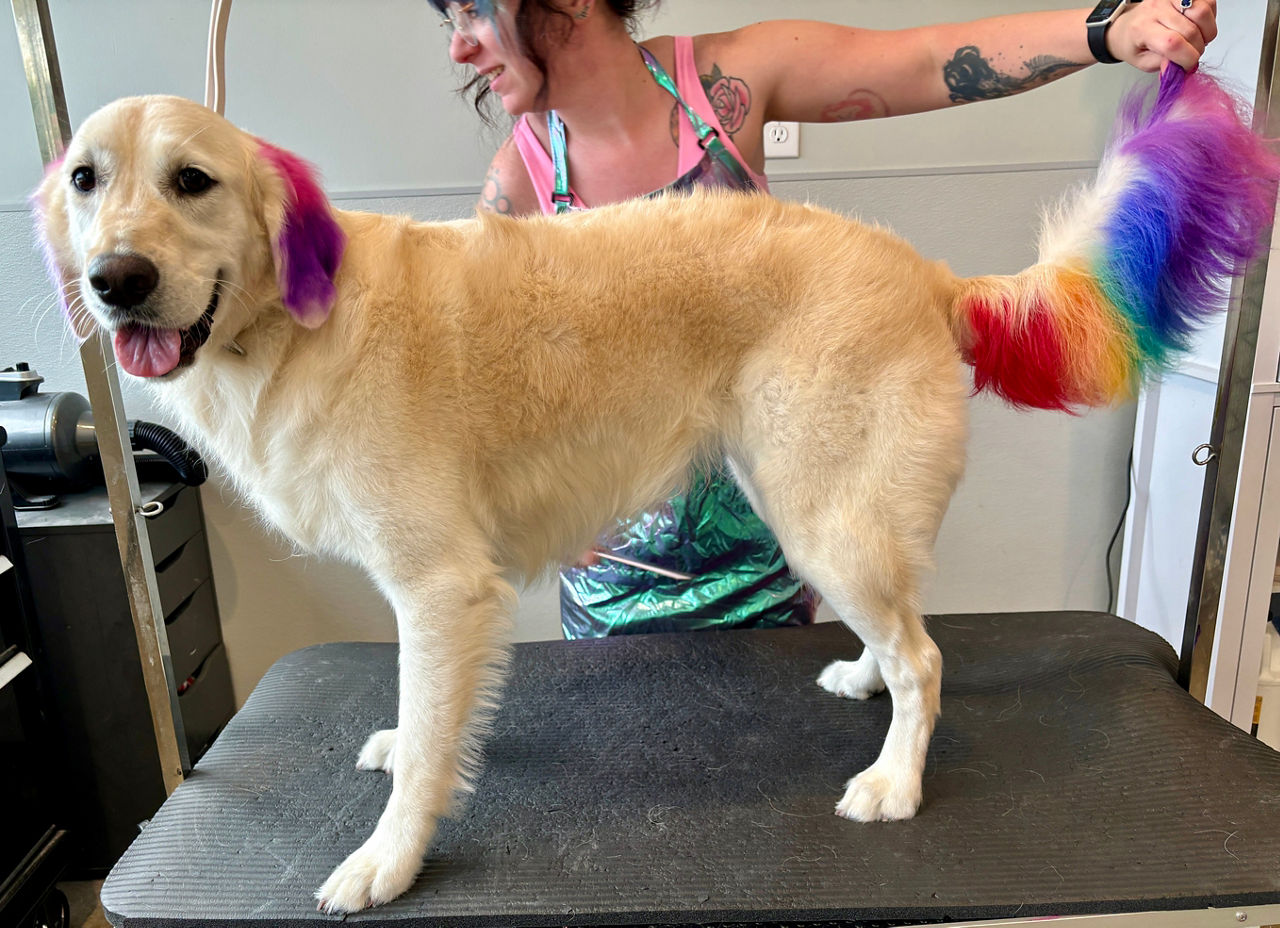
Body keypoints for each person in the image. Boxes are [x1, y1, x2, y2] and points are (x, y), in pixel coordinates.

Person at [427, 0, 1219, 639]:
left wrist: (1109, 27)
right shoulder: (519, 185)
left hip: (776, 566)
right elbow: (492, 391)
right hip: (612, 596)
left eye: (470, 10)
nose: (459, 47)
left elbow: (926, 58)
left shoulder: (725, 83)